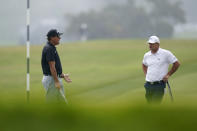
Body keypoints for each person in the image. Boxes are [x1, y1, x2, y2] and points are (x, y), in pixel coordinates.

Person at [142, 36, 180, 104]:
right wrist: (146, 74)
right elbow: (144, 64)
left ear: (158, 44)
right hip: (148, 85)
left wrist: (168, 75)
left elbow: (176, 64)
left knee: (155, 105)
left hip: (159, 85)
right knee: (149, 105)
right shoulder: (147, 55)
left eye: (152, 44)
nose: (150, 45)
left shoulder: (166, 53)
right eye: (149, 43)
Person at [41, 29, 72, 103]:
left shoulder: (51, 48)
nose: (60, 38)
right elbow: (52, 67)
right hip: (52, 80)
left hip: (53, 78)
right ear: (52, 38)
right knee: (53, 104)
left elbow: (54, 68)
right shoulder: (49, 49)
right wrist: (56, 81)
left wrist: (62, 75)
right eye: (58, 36)